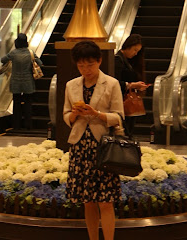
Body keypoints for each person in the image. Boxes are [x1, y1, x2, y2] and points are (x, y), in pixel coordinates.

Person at [64, 40, 124, 240]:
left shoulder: (112, 83)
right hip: (80, 147)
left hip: (103, 147)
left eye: (90, 64)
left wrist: (96, 114)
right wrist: (74, 114)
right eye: (81, 65)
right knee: (87, 200)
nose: (86, 69)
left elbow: (119, 116)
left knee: (106, 201)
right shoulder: (71, 85)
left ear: (99, 61)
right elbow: (66, 116)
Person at [0, 33, 43, 132]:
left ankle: (16, 125)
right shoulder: (30, 53)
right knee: (28, 104)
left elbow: (3, 60)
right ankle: (28, 125)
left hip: (16, 82)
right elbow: (40, 63)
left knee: (16, 103)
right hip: (28, 81)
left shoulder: (13, 53)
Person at [114, 34, 149, 138]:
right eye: (134, 50)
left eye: (137, 51)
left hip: (125, 99)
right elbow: (115, 82)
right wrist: (132, 85)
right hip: (121, 100)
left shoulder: (127, 61)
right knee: (125, 129)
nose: (135, 53)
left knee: (129, 129)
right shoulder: (118, 60)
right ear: (128, 46)